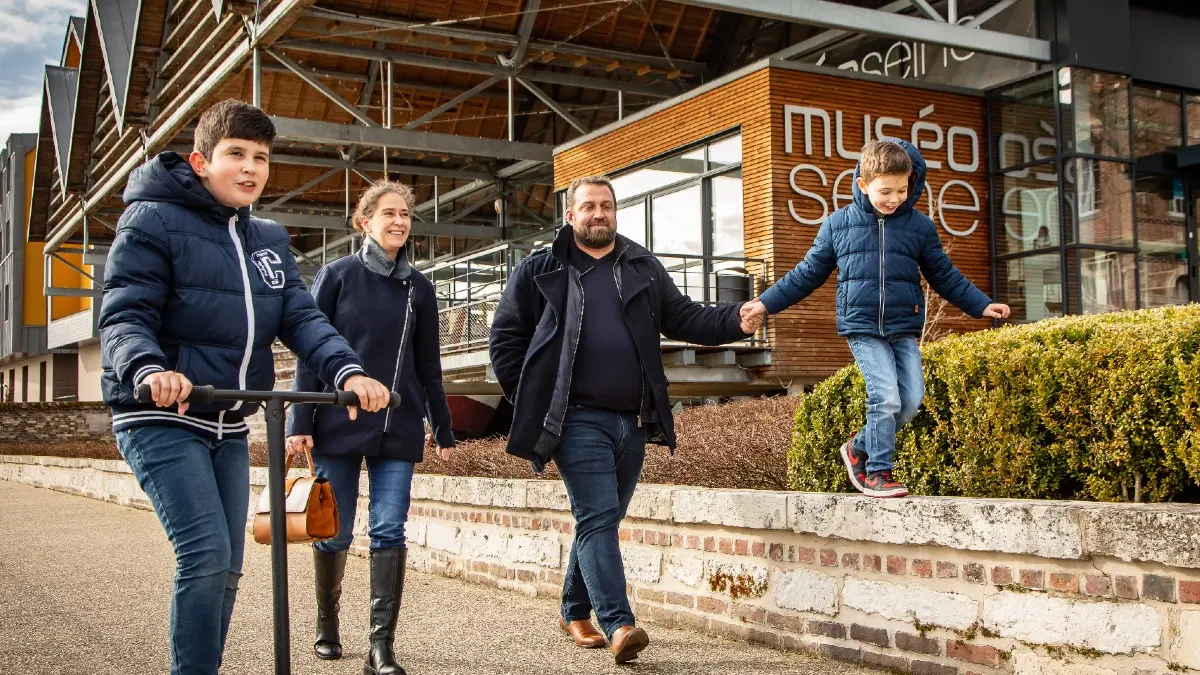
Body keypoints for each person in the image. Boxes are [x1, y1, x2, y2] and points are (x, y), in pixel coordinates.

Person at [98, 99, 391, 675]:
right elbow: (123, 314)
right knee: (205, 555)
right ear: (201, 160)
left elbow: (302, 319)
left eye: (261, 157)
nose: (250, 168)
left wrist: (348, 373)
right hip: (161, 414)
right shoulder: (152, 221)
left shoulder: (268, 238)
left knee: (230, 563)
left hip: (228, 421)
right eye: (236, 154)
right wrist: (148, 370)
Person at [489, 175, 761, 664]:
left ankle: (574, 609)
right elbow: (506, 338)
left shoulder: (640, 265)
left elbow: (684, 317)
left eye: (607, 206)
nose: (599, 214)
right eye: (589, 206)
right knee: (596, 516)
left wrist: (734, 318)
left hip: (633, 418)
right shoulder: (541, 269)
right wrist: (529, 398)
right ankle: (619, 623)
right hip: (574, 419)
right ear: (570, 216)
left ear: (616, 212)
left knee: (602, 519)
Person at [741, 139, 1010, 499]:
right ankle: (877, 472)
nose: (894, 198)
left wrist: (980, 305)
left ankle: (857, 447)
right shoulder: (839, 225)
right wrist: (764, 303)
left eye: (902, 189)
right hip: (863, 326)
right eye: (885, 191)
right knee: (885, 397)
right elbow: (806, 274)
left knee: (911, 401)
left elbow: (945, 275)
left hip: (903, 326)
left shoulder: (919, 228)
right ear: (863, 184)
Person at [285, 180, 455, 675]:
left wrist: (442, 427)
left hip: (398, 424)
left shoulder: (419, 289)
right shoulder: (336, 276)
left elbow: (430, 365)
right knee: (333, 531)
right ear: (365, 221)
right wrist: (300, 420)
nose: (399, 221)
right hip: (337, 422)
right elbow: (310, 352)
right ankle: (326, 623)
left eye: (405, 214)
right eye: (389, 213)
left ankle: (381, 647)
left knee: (388, 527)